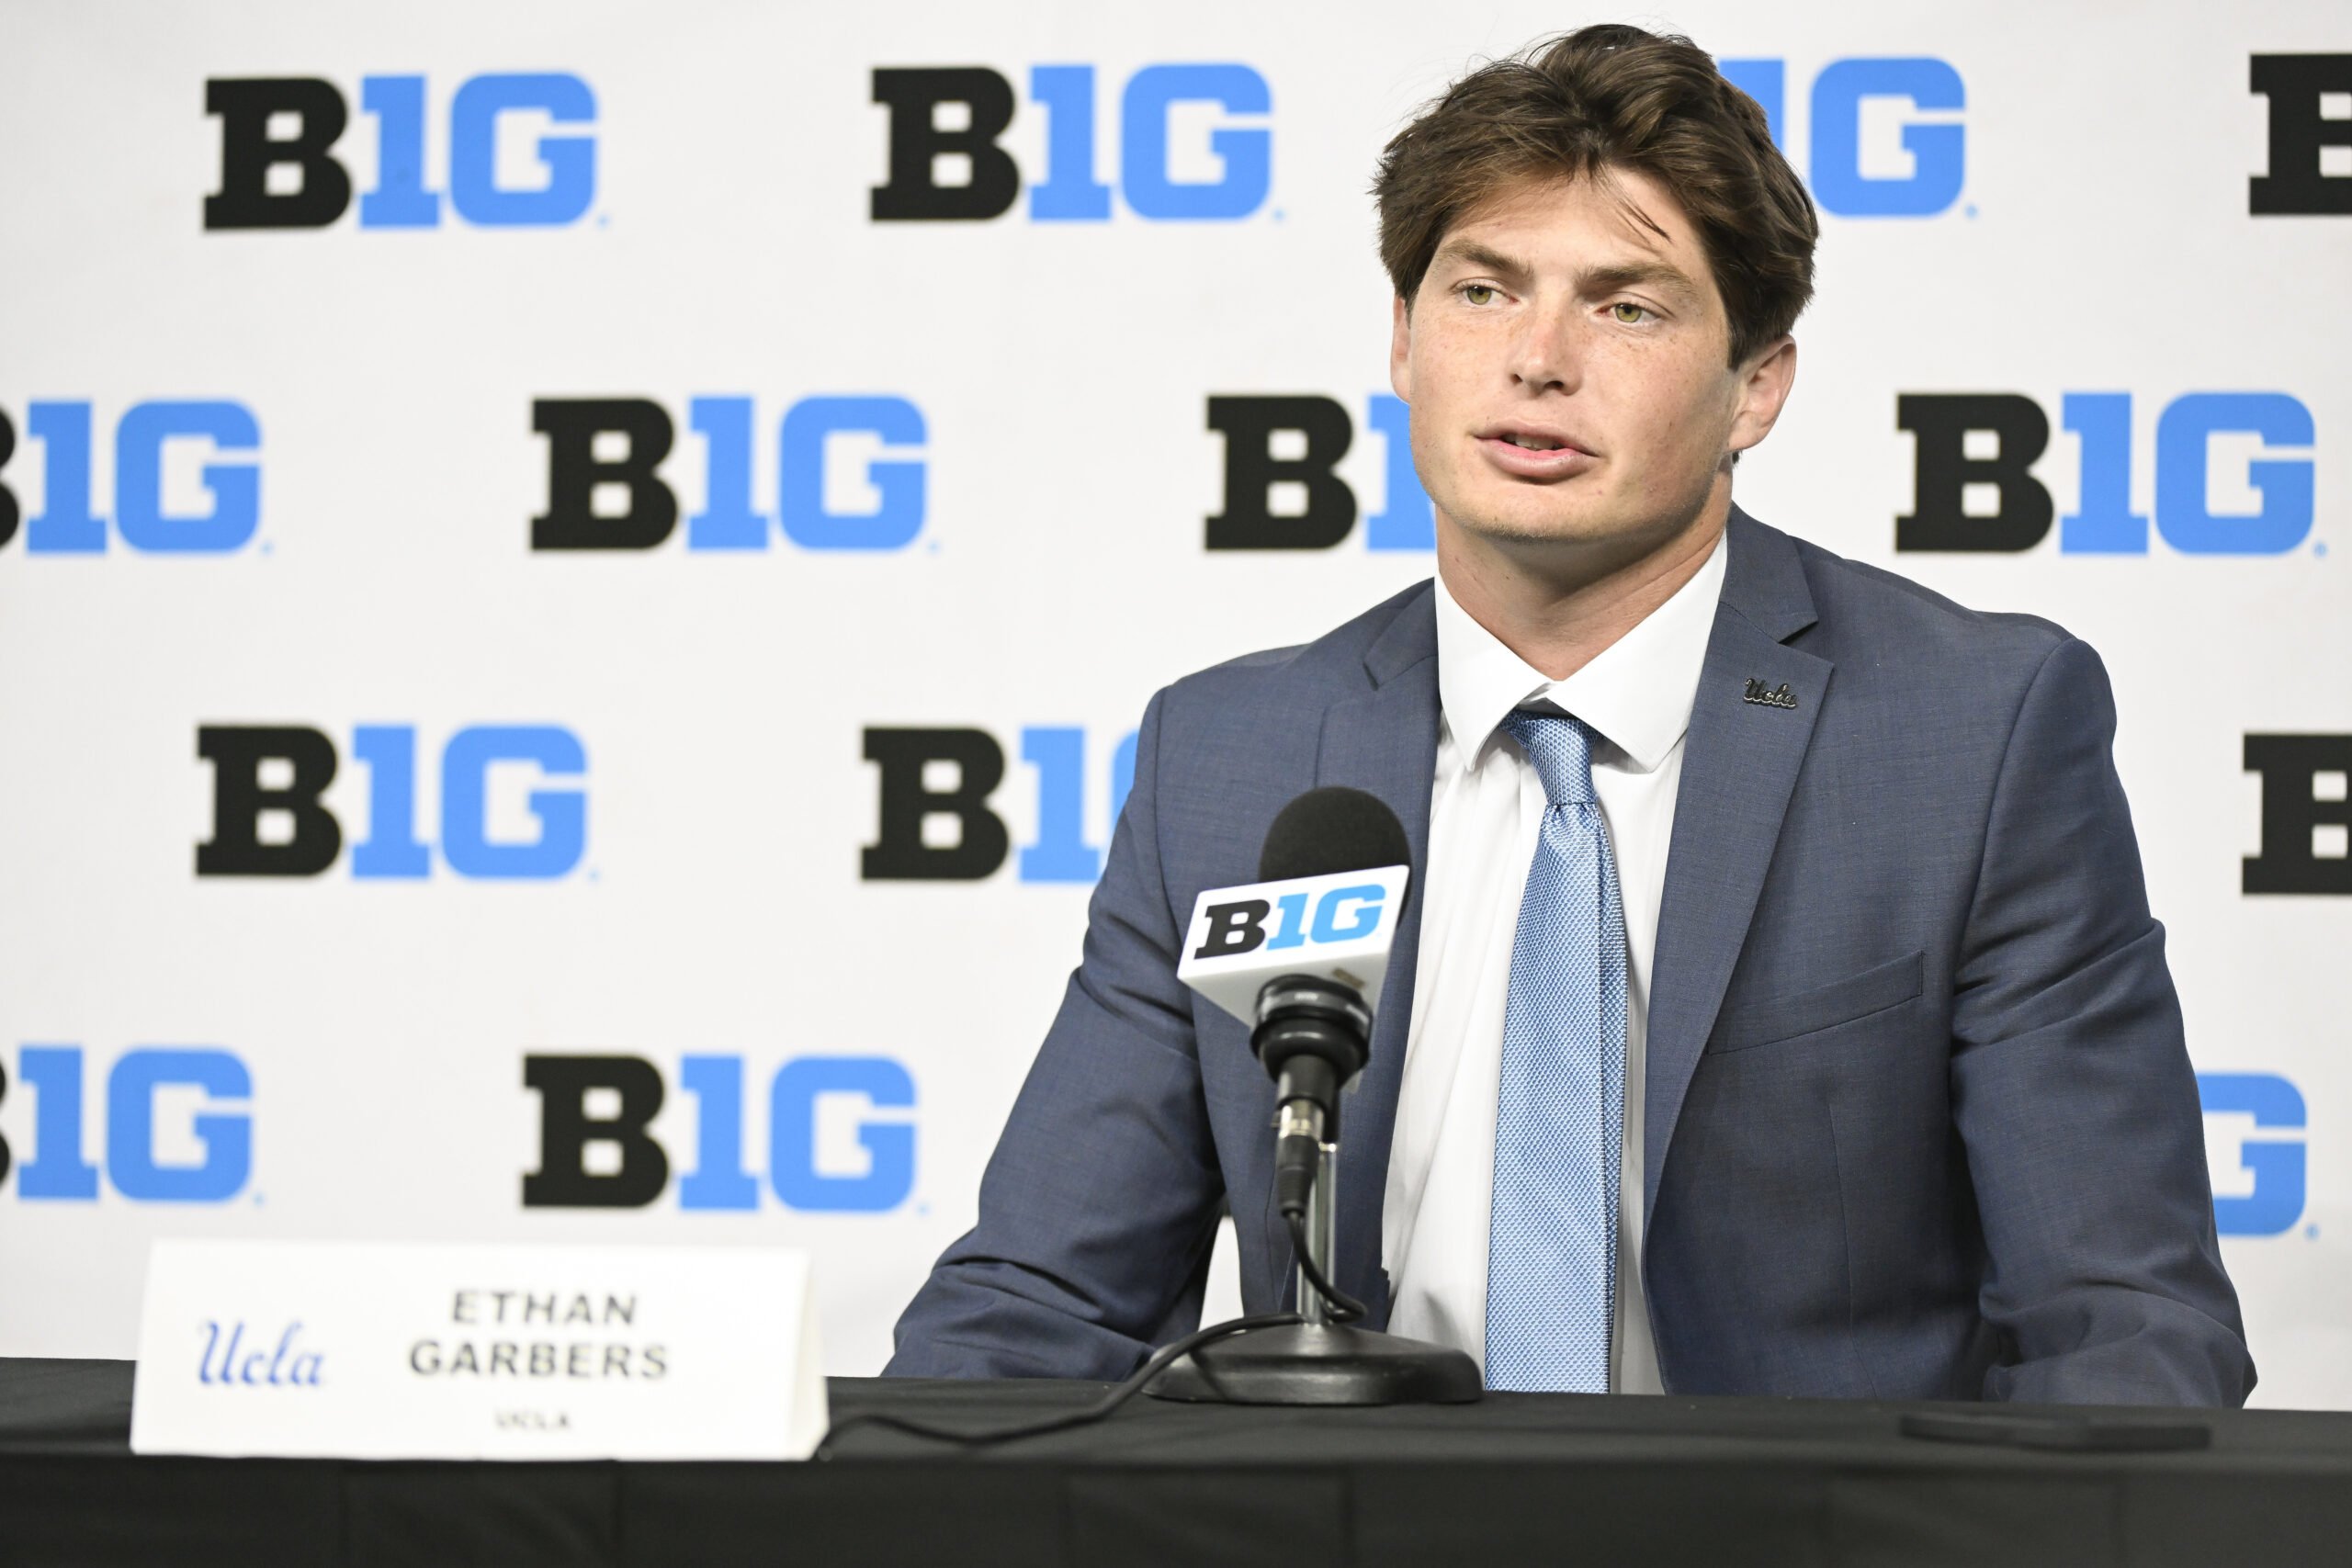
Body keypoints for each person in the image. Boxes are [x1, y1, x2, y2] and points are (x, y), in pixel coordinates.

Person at [886, 24, 2252, 1403]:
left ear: (1757, 387)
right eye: (1482, 291)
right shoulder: (1229, 761)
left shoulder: (1970, 735)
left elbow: (2125, 1331)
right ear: (1405, 342)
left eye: (1628, 306)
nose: (1539, 358)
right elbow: (1044, 1305)